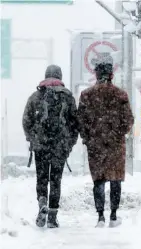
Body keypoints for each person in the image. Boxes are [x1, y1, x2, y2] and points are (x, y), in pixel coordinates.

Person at [78, 61, 134, 227]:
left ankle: (100, 216)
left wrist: (88, 137)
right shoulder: (120, 95)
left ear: (96, 75)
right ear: (111, 75)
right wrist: (118, 133)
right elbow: (128, 120)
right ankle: (114, 216)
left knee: (99, 180)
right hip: (115, 145)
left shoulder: (86, 95)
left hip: (95, 145)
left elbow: (80, 121)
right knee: (115, 180)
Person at [22, 65, 78, 228]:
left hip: (41, 147)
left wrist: (33, 139)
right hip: (60, 147)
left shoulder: (35, 96)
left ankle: (42, 203)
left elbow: (26, 121)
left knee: (42, 178)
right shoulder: (67, 97)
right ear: (59, 77)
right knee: (55, 180)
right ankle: (52, 216)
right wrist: (69, 143)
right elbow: (75, 123)